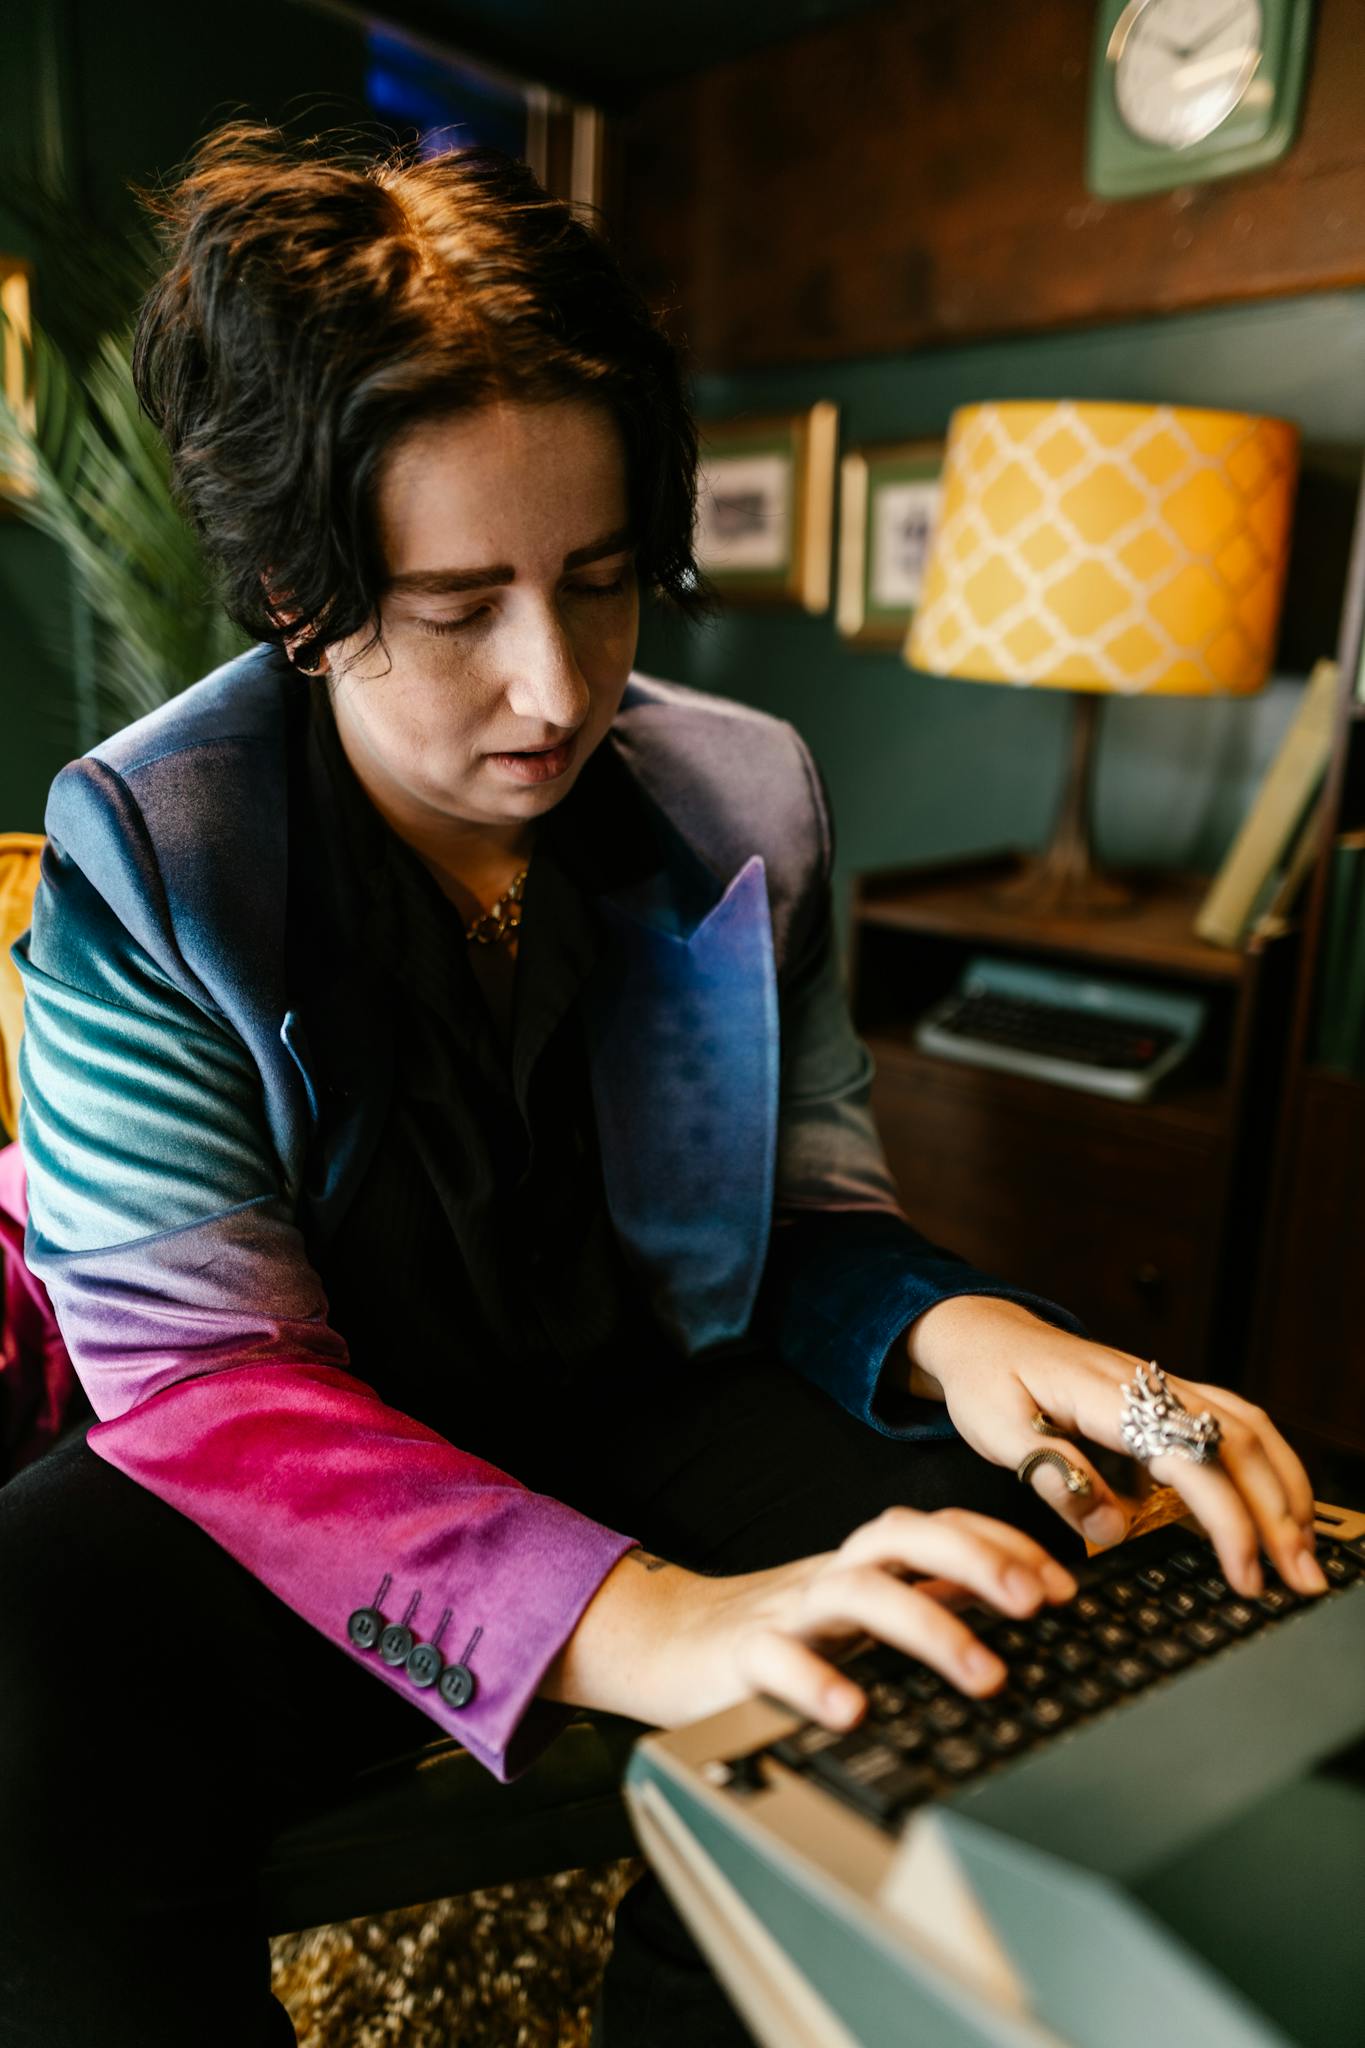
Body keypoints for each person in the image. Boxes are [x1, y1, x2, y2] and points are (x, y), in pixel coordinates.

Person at [0, 121, 1326, 2048]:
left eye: (604, 581)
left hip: (631, 1391)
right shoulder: (149, 842)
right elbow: (212, 1388)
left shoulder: (743, 797)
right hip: (314, 1456)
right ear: (296, 587)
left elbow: (798, 1212)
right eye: (458, 610)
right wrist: (662, 1624)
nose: (557, 687)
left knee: (987, 1566)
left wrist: (960, 1327)